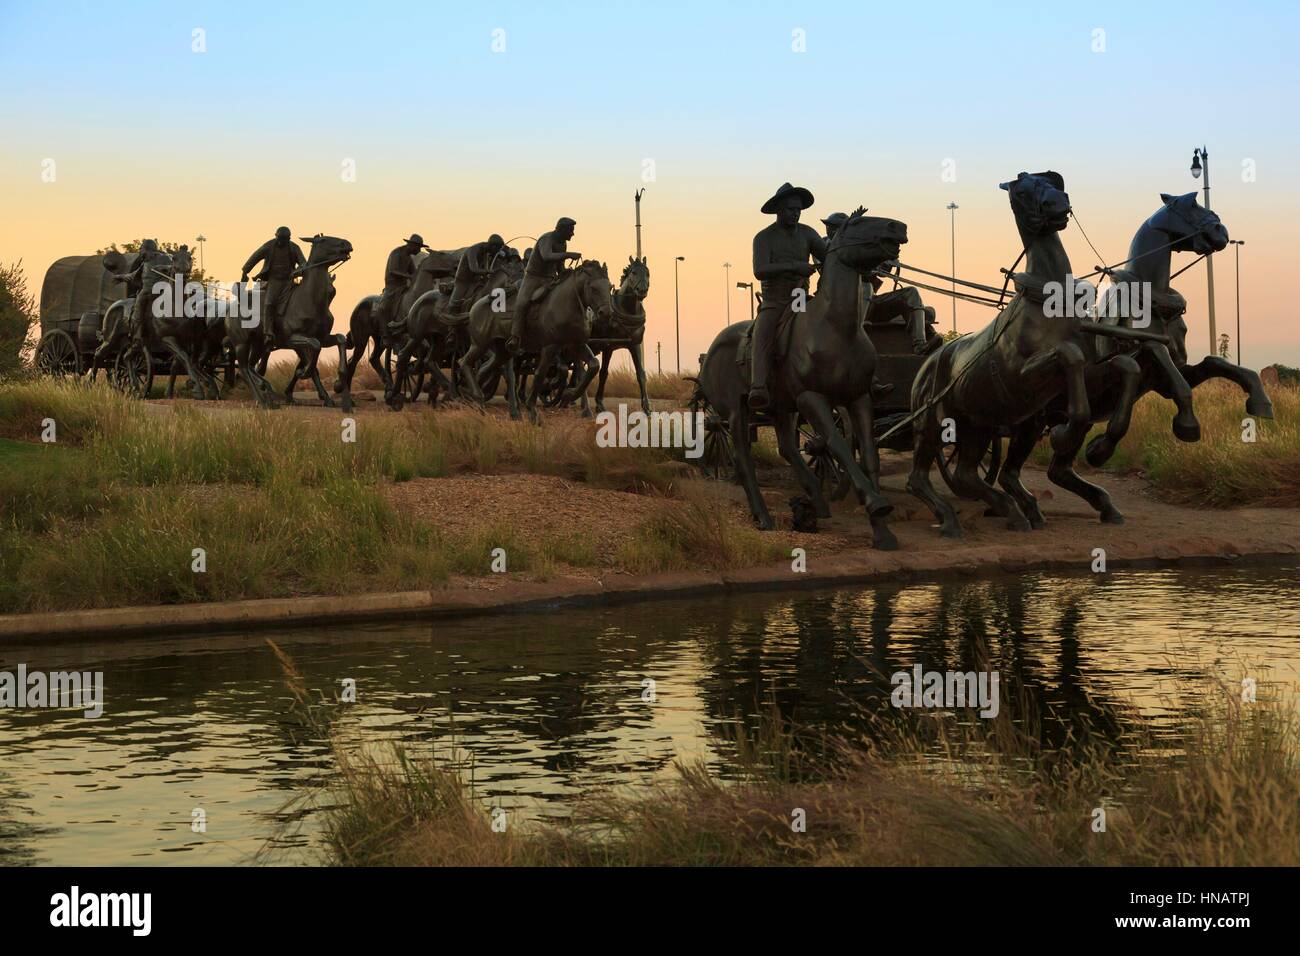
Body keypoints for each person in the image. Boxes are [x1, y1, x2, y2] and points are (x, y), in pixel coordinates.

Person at [748, 183, 825, 411]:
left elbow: (827, 258)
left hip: (800, 297)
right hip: (775, 300)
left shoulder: (808, 233)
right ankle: (758, 386)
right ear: (779, 210)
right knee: (764, 332)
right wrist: (795, 266)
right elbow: (760, 270)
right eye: (791, 209)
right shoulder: (763, 238)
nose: (796, 213)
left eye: (798, 209)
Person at [508, 218, 579, 352]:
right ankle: (515, 337)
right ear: (562, 229)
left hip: (550, 279)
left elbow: (559, 267)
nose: (572, 234)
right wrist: (568, 255)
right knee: (522, 303)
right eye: (571, 231)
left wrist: (567, 273)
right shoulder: (546, 239)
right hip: (533, 278)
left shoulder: (562, 243)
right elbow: (547, 256)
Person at [241, 227, 306, 337]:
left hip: (289, 281)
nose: (281, 241)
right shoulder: (269, 246)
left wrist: (297, 271)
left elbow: (304, 263)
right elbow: (255, 257)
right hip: (274, 280)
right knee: (269, 303)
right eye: (280, 238)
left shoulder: (294, 248)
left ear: (288, 239)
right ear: (276, 236)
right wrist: (245, 271)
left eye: (284, 239)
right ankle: (268, 332)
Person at [378, 234, 429, 338]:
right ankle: (385, 334)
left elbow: (413, 272)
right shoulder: (396, 253)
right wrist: (408, 276)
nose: (419, 250)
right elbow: (393, 271)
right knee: (384, 307)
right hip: (392, 286)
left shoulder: (409, 258)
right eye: (418, 247)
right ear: (411, 245)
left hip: (403, 286)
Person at [448, 234, 505, 312]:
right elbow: (474, 269)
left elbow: (485, 268)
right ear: (493, 246)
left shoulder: (486, 252)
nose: (497, 252)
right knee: (454, 302)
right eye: (497, 249)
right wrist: (488, 271)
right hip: (463, 281)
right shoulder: (473, 250)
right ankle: (451, 316)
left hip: (476, 281)